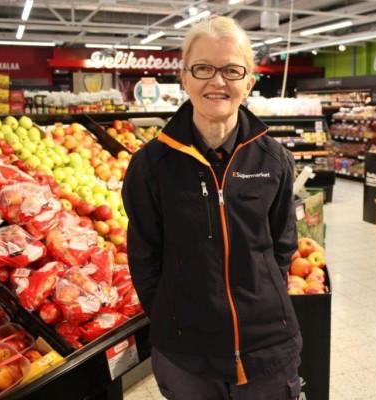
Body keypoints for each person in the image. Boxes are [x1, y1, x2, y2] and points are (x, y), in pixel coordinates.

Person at [122, 16, 302, 400]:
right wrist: (171, 318)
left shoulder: (274, 159)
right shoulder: (151, 166)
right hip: (186, 356)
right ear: (184, 78)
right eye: (203, 68)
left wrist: (263, 303)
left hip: (268, 349)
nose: (217, 82)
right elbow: (144, 257)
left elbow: (283, 245)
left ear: (249, 82)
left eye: (232, 70)